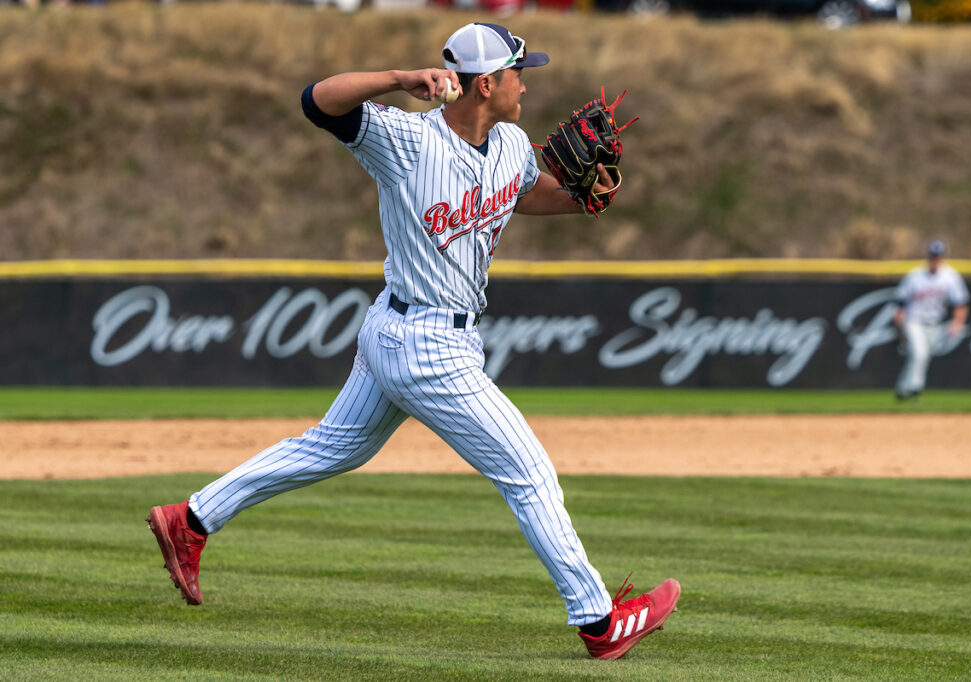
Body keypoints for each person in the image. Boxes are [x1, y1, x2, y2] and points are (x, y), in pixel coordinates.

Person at [146, 22, 679, 660]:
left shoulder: (509, 142)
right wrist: (402, 79)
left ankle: (192, 519)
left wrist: (582, 198)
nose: (525, 83)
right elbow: (318, 100)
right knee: (529, 473)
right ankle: (598, 621)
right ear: (486, 84)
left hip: (399, 334)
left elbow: (521, 194)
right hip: (427, 347)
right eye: (518, 72)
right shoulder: (405, 141)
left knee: (331, 449)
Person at [892, 239, 970, 400]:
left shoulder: (950, 276)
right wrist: (899, 322)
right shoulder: (914, 276)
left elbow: (961, 303)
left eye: (938, 256)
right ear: (928, 256)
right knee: (920, 353)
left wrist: (957, 323)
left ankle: (902, 389)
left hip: (935, 323)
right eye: (933, 256)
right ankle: (915, 389)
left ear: (943, 257)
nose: (935, 260)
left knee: (921, 356)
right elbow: (900, 302)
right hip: (914, 321)